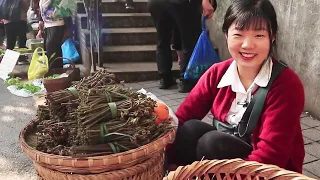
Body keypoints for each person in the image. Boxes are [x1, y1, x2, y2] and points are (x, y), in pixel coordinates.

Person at [166, 0, 305, 173]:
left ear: (273, 36)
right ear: (226, 34)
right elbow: (182, 117)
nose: (247, 45)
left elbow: (272, 155)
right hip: (225, 160)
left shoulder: (286, 84)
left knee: (211, 143)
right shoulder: (217, 73)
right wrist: (167, 165)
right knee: (189, 129)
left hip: (268, 170)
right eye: (238, 34)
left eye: (259, 35)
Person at [148, 0, 217, 93]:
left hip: (156, 3)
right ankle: (186, 81)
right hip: (182, 3)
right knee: (190, 41)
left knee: (162, 40)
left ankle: (165, 79)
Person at [36, 0, 66, 69]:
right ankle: (57, 70)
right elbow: (42, 8)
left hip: (57, 23)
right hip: (47, 25)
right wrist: (40, 22)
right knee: (51, 49)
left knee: (51, 48)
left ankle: (54, 70)